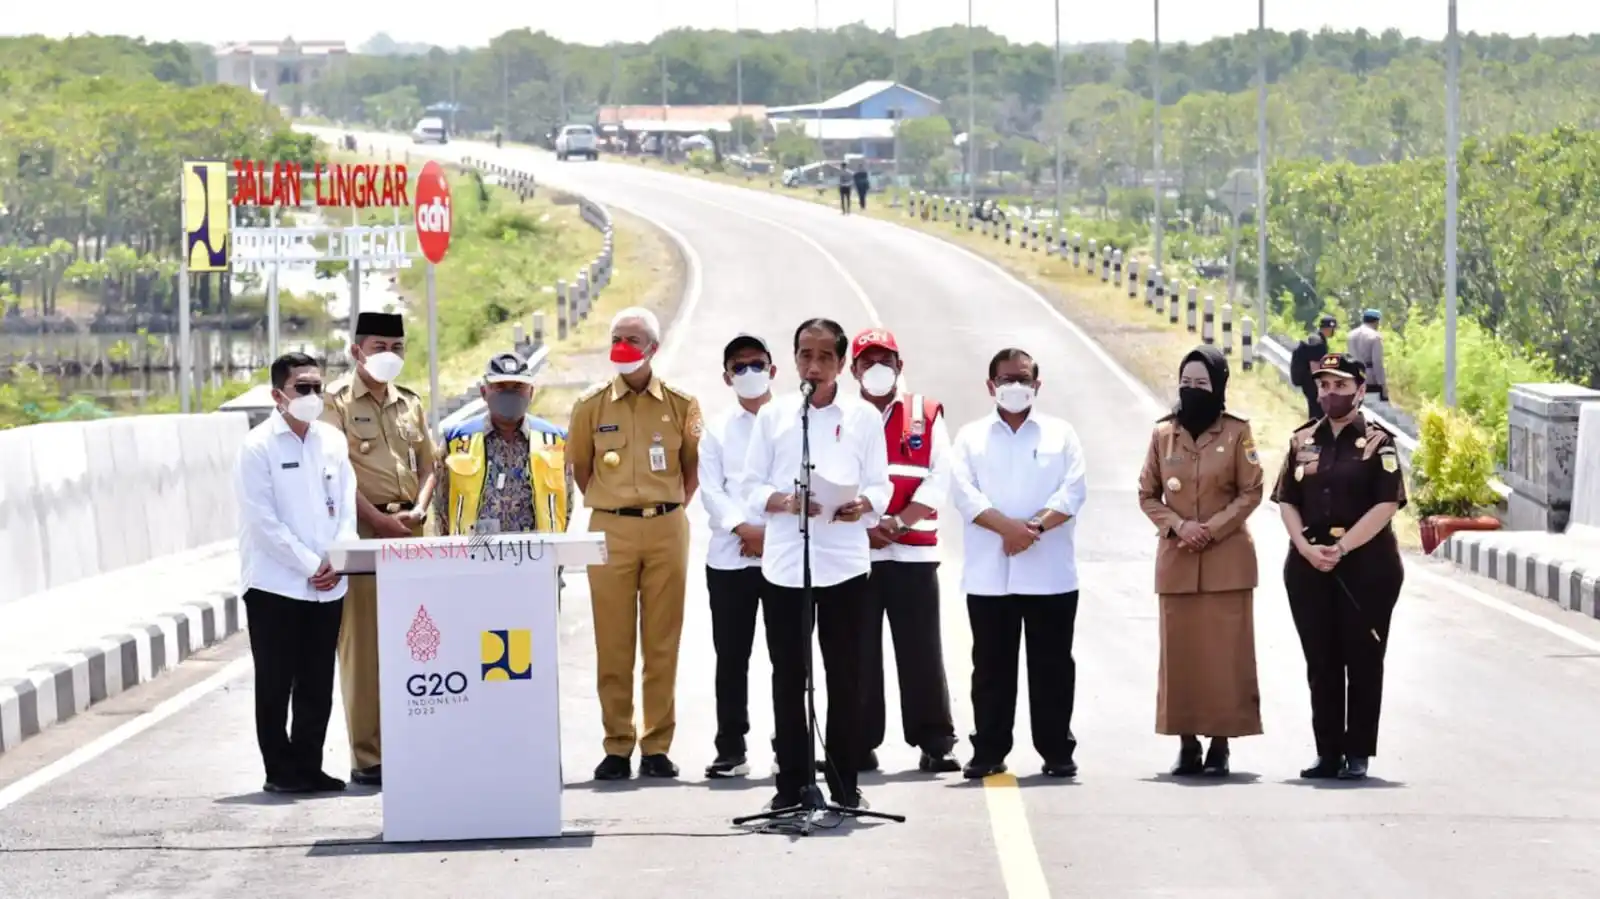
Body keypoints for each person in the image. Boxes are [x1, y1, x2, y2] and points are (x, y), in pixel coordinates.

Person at [739, 317, 892, 810]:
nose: (815, 364)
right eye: (806, 354)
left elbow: (881, 483)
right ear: (794, 359)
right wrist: (784, 502)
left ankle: (846, 784)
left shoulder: (864, 418)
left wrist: (864, 504)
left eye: (826, 356)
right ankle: (793, 785)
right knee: (789, 676)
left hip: (844, 562)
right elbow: (750, 487)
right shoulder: (776, 416)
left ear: (842, 364)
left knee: (846, 676)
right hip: (786, 564)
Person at [567, 307, 702, 781]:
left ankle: (657, 744)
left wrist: (664, 508)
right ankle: (617, 744)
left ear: (653, 349)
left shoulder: (682, 405)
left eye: (633, 339)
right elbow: (581, 469)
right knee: (614, 641)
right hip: (611, 528)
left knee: (662, 641)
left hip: (667, 526)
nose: (622, 346)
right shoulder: (590, 405)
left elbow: (691, 469)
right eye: (617, 337)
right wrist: (616, 504)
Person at [949, 348, 1087, 780]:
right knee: (990, 669)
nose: (1015, 387)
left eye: (1023, 379)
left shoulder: (1060, 434)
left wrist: (1032, 530)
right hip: (990, 576)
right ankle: (988, 749)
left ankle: (1057, 750)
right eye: (1006, 379)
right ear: (991, 386)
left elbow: (1073, 492)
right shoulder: (971, 437)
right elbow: (964, 494)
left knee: (1053, 668)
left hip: (1051, 575)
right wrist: (1007, 530)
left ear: (1037, 385)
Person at [1271, 352, 1407, 782]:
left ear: (1359, 391)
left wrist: (1343, 548)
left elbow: (1387, 504)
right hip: (1309, 566)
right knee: (1322, 661)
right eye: (1324, 386)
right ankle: (1327, 752)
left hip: (1366, 568)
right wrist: (1305, 548)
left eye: (1340, 387)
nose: (1331, 394)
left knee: (1363, 658)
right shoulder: (1302, 440)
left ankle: (1358, 752)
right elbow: (1287, 501)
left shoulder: (1378, 443)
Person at [1136, 346, 1265, 777]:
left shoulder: (1237, 432)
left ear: (1219, 386)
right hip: (1177, 561)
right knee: (1182, 659)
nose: (1192, 391)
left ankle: (1221, 744)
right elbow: (1147, 494)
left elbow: (1252, 491)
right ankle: (1187, 743)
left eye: (1201, 384)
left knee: (1226, 659)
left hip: (1226, 561)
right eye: (1186, 383)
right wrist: (1177, 525)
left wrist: (1212, 527)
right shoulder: (1162, 435)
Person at [321, 311, 437, 787]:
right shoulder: (337, 402)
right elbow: (334, 473)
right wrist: (379, 521)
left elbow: (431, 464)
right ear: (356, 351)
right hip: (366, 537)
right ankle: (368, 757)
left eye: (397, 347)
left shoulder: (410, 403)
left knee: (420, 644)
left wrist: (419, 511)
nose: (389, 355)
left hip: (412, 531)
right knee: (365, 649)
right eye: (378, 346)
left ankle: (417, 743)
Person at [234, 352, 358, 794]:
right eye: (300, 388)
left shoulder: (332, 440)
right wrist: (310, 565)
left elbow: (346, 504)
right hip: (275, 584)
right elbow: (263, 522)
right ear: (277, 395)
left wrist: (337, 559)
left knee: (317, 680)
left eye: (316, 388)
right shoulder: (258, 447)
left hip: (328, 584)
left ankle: (309, 764)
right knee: (275, 681)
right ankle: (279, 769)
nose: (310, 396)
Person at [848, 328, 960, 774]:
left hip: (912, 552)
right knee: (857, 653)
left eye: (885, 359)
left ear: (899, 365)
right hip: (857, 554)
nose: (877, 368)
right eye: (867, 360)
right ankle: (857, 741)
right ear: (854, 369)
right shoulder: (842, 415)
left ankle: (935, 740)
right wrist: (866, 526)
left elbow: (940, 475)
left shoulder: (925, 412)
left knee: (921, 650)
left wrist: (898, 521)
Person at [697, 334, 776, 778]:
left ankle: (791, 744)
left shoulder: (791, 421)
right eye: (739, 367)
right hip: (729, 558)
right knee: (731, 658)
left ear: (773, 369)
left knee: (791, 659)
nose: (749, 373)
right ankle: (731, 748)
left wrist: (767, 534)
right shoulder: (716, 429)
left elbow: (797, 482)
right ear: (726, 376)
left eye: (757, 364)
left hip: (781, 557)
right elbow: (711, 489)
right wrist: (744, 530)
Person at [432, 352, 572, 537]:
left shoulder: (554, 440)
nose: (509, 394)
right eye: (500, 387)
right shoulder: (457, 441)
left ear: (531, 392)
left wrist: (557, 556)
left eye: (517, 387)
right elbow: (441, 505)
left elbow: (566, 504)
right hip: (474, 554)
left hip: (536, 554)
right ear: (483, 392)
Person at [1290, 315, 1337, 420]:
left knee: (1315, 410)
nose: (1334, 331)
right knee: (1317, 412)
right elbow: (1314, 366)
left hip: (1307, 381)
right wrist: (1320, 387)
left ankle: (1314, 432)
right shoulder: (1318, 342)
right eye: (1333, 329)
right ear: (1329, 328)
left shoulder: (1315, 338)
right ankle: (1314, 433)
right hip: (1311, 382)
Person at [1345, 309, 1388, 402]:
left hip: (1353, 377)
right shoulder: (1375, 336)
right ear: (1376, 321)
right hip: (1370, 378)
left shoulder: (1350, 335)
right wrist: (1382, 385)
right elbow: (1377, 362)